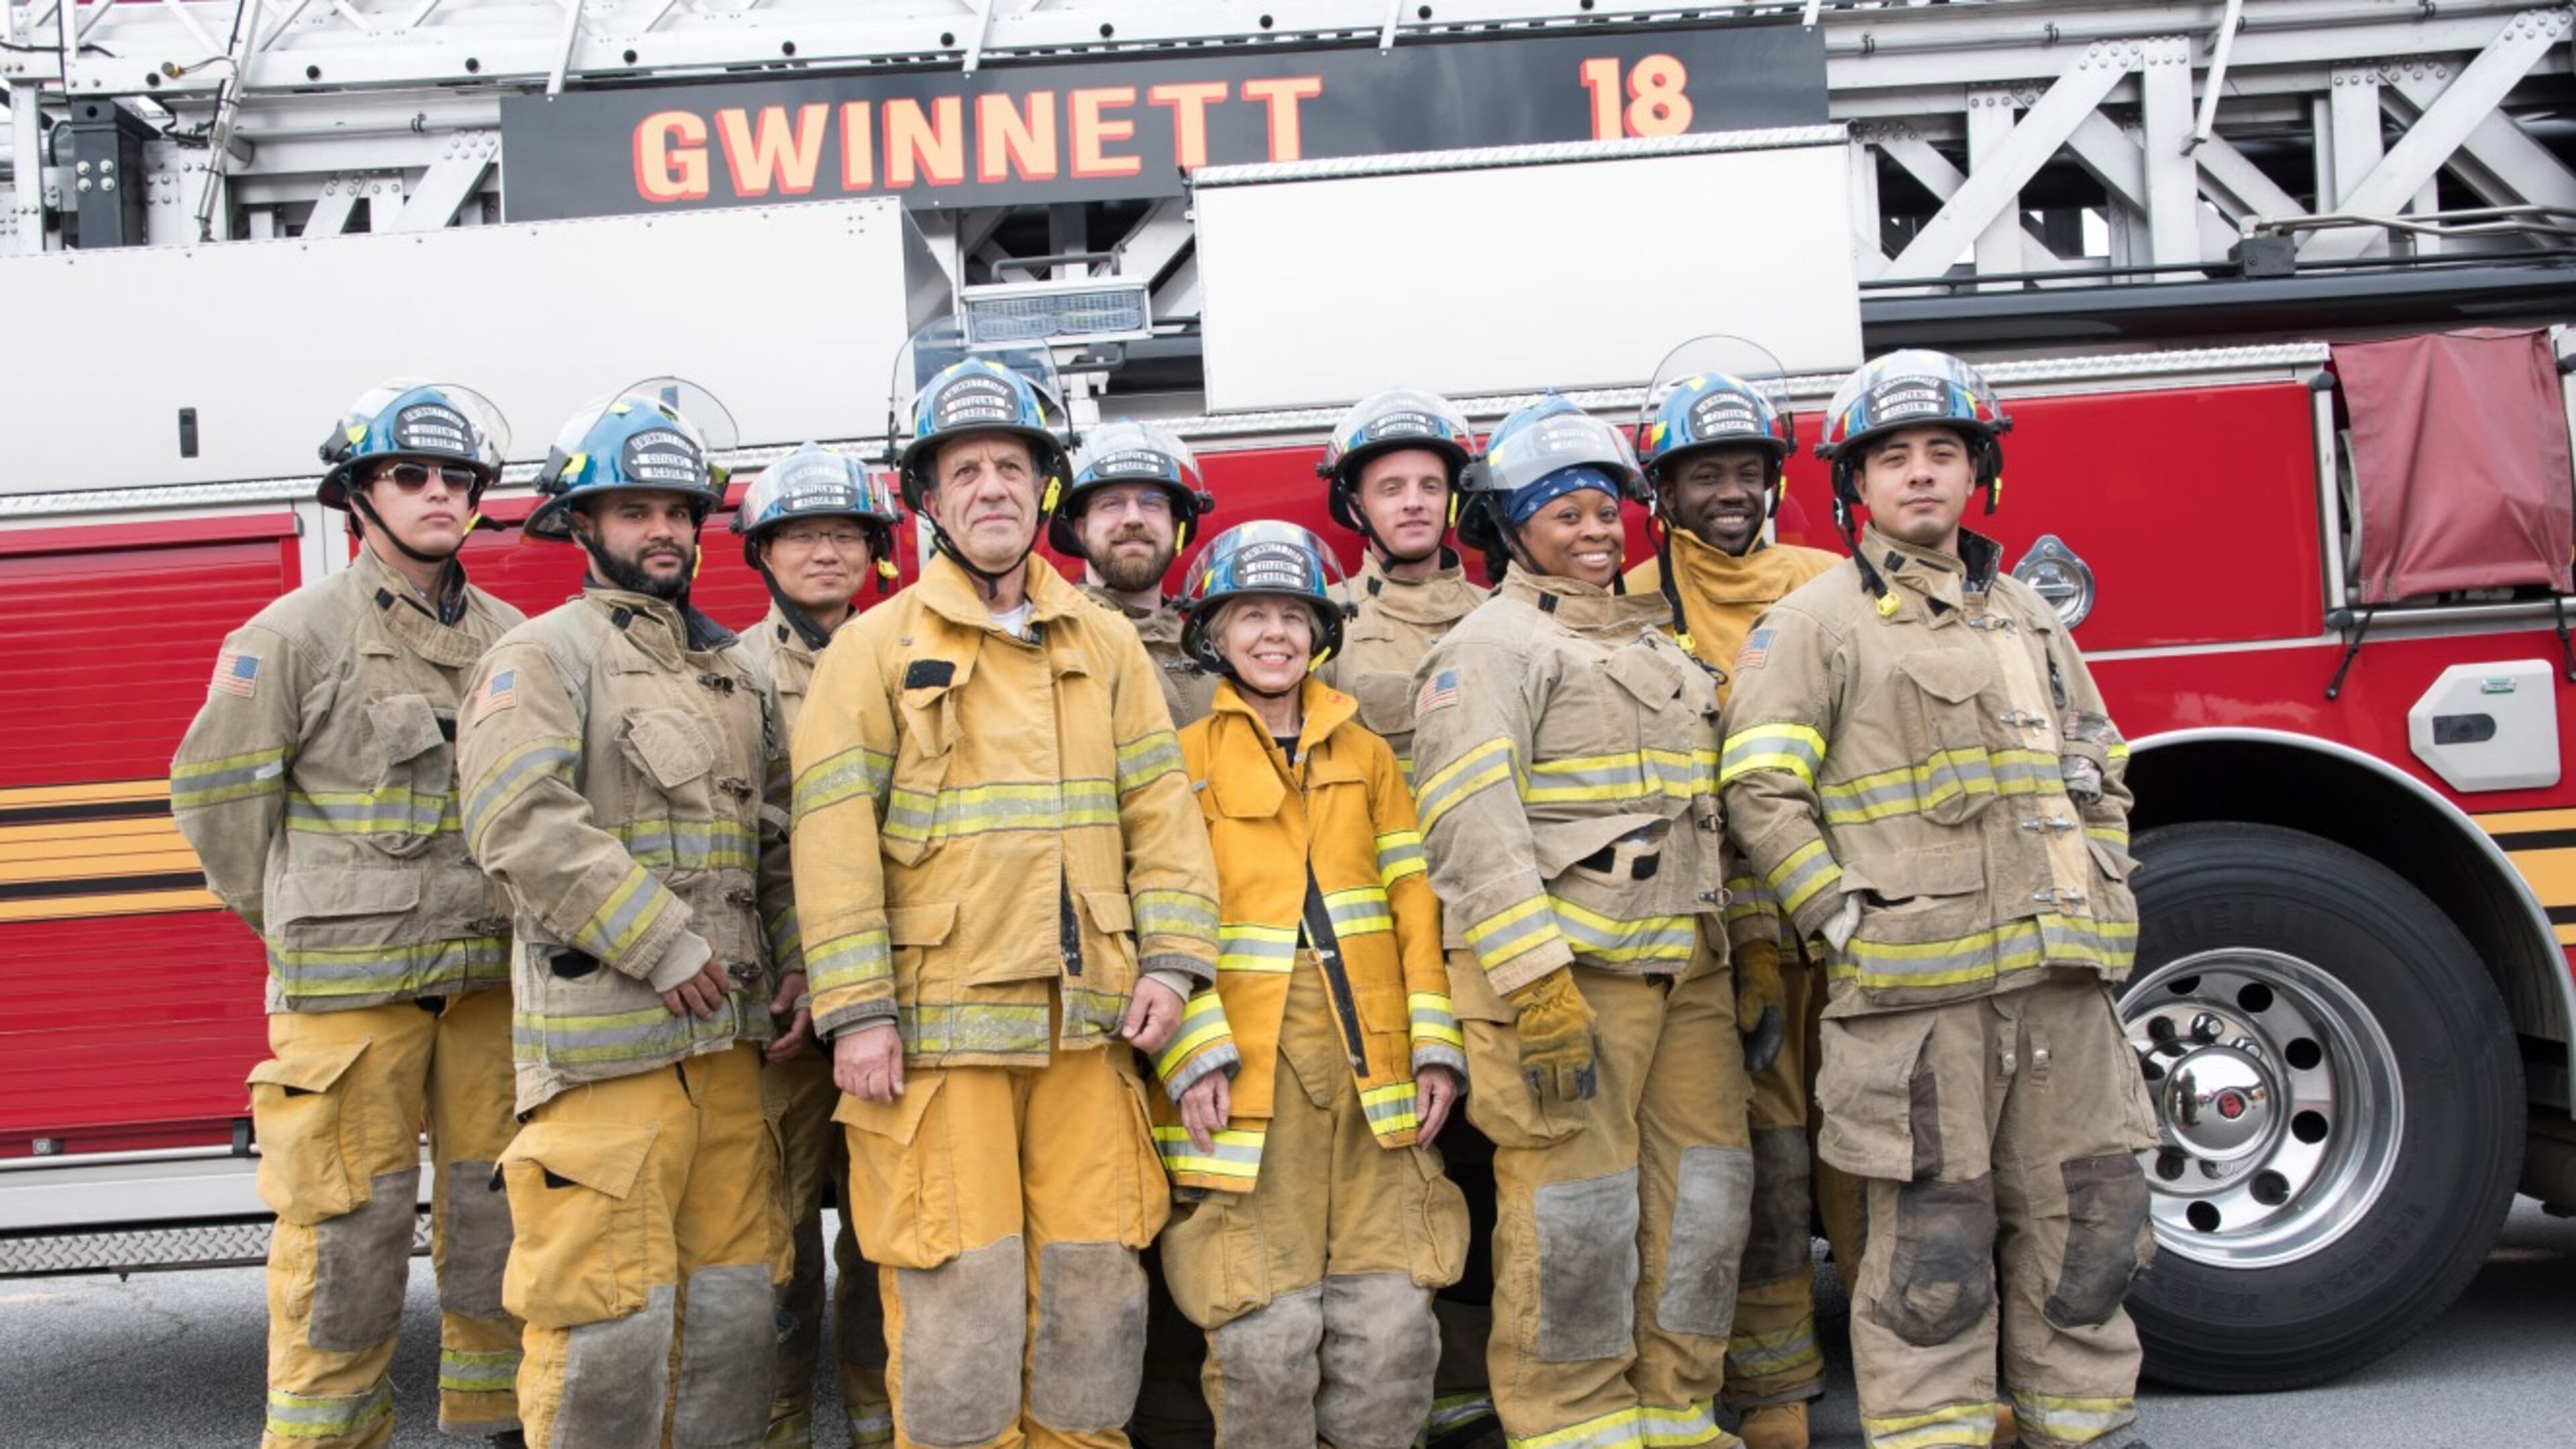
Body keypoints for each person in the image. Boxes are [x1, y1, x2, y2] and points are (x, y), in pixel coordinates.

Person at [1719, 350, 2154, 1449]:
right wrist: (1844, 920)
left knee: (2091, 1238)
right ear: (1854, 487)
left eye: (1944, 454)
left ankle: (2091, 1432)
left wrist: (2106, 891)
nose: (1921, 475)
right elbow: (1760, 790)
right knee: (1933, 1263)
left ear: (1981, 475)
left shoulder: (2026, 618)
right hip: (1919, 1012)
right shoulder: (1814, 624)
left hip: (2064, 993)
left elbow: (2100, 764)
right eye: (1894, 458)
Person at [791, 347, 1222, 1449]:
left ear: (1046, 490)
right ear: (928, 500)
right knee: (956, 1300)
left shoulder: (1106, 639)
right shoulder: (873, 651)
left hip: (1087, 1034)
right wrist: (858, 1011)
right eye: (966, 470)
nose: (993, 487)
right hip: (935, 1046)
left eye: (1013, 467)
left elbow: (1160, 816)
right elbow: (833, 837)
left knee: (1096, 1289)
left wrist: (1174, 965)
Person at [172, 383, 525, 1449]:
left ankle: (493, 1427)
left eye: (454, 479)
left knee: (501, 1233)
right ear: (358, 500)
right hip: (348, 1005)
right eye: (409, 477)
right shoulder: (289, 635)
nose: (436, 495)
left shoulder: (513, 637)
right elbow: (217, 800)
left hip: (487, 997)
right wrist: (299, 923)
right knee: (343, 1246)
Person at [1411, 396, 1767, 1449]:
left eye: (1606, 509)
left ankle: (1678, 1411)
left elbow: (1713, 820)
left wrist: (1742, 952)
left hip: (1688, 981)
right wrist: (1536, 988)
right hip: (1572, 987)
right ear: (1510, 530)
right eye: (1564, 514)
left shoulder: (1659, 647)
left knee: (1704, 1199)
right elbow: (1474, 831)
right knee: (1577, 1214)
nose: (1596, 529)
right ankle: (1575, 1426)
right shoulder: (1489, 650)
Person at [457, 382, 797, 1448]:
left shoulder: (734, 669)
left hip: (732, 1057)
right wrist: (658, 940)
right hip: (608, 1067)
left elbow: (776, 839)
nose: (664, 530)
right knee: (606, 1324)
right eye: (635, 510)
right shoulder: (543, 655)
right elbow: (518, 819)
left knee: (736, 1318)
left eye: (679, 510)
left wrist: (795, 962)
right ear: (582, 524)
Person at [1146, 520, 1470, 1448]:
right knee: (1261, 1327)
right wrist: (1189, 1048)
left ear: (1321, 632)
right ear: (1214, 633)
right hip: (1245, 1072)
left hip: (1377, 1069)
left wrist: (1435, 1042)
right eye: (1252, 615)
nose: (1275, 634)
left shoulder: (1367, 756)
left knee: (1393, 1323)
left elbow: (1415, 906)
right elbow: (1158, 911)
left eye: (1294, 615)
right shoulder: (1184, 758)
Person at [1625, 366, 1842, 1449]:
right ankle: (1776, 1394)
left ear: (1773, 477)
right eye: (1702, 471)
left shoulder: (1826, 584)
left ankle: (1922, 1381)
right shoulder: (1629, 599)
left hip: (1848, 925)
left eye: (1745, 469)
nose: (1727, 490)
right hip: (1726, 934)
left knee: (1876, 1160)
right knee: (1767, 1166)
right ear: (1663, 485)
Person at [730, 443, 904, 1449]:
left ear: (876, 550)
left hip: (895, 997)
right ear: (764, 553)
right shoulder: (732, 675)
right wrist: (789, 970)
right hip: (786, 1016)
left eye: (845, 533)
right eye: (804, 534)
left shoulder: (909, 650)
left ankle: (885, 1424)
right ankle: (780, 1426)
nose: (827, 552)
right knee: (774, 1245)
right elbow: (739, 846)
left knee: (892, 1238)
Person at [1314, 389, 1487, 775]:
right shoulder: (1322, 621)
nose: (1414, 502)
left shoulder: (1502, 614)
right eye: (1391, 489)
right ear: (1357, 510)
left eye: (1430, 486)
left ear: (1451, 500)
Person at [1060, 419, 1222, 726]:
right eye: (1112, 504)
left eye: (1152, 503)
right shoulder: (1056, 643)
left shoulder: (1213, 648)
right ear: (1081, 530)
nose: (1133, 518)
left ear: (1174, 528)